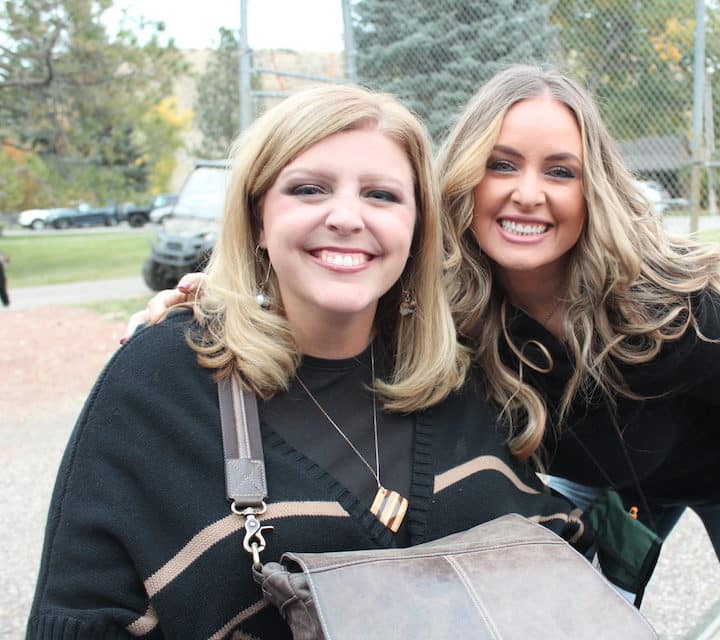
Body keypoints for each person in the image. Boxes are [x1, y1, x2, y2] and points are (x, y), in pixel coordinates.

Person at [126, 66, 720, 638]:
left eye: (559, 170)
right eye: (503, 163)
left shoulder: (667, 309)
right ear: (466, 175)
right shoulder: (442, 300)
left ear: (592, 188)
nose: (527, 194)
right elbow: (327, 295)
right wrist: (216, 301)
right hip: (597, 481)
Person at [27, 84, 589, 639]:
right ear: (257, 221)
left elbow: (551, 550)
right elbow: (84, 616)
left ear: (418, 228)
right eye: (309, 189)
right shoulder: (160, 383)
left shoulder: (451, 374)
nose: (347, 217)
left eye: (382, 195)